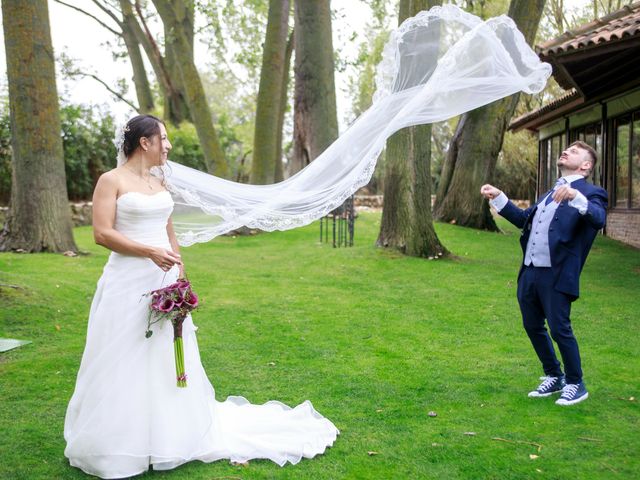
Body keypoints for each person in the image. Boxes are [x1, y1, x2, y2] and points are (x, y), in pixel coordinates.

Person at [64, 115, 338, 479]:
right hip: (126, 281)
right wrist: (148, 252)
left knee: (165, 356)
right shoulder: (110, 181)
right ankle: (119, 440)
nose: (168, 145)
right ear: (143, 142)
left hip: (164, 276)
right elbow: (101, 233)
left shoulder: (159, 181)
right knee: (123, 355)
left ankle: (169, 435)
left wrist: (181, 273)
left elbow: (169, 233)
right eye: (163, 138)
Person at [480, 141, 607, 406]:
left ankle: (576, 383)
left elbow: (598, 218)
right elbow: (525, 219)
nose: (566, 151)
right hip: (530, 271)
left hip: (558, 274)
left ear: (586, 165)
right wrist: (499, 197)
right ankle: (554, 375)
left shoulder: (592, 192)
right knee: (532, 325)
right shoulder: (550, 192)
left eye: (574, 151)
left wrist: (575, 197)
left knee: (560, 329)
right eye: (567, 149)